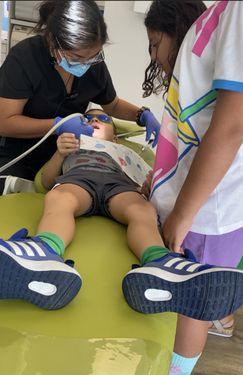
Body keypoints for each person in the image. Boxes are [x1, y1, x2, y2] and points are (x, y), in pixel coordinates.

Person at [1, 108, 243, 320]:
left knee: (142, 209)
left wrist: (149, 188)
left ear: (115, 135)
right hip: (78, 181)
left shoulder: (123, 152)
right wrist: (60, 154)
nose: (93, 122)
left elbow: (145, 188)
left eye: (103, 119)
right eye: (87, 119)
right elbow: (45, 182)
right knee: (59, 198)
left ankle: (161, 262)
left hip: (120, 188)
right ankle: (44, 251)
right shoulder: (72, 148)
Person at [122, 1, 243, 375]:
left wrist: (183, 212)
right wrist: (157, 186)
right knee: (182, 297)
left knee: (193, 302)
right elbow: (187, 126)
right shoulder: (221, 13)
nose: (154, 56)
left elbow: (231, 125)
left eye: (155, 44)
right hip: (186, 203)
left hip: (206, 212)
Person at [0, 0, 160, 195]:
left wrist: (141, 114)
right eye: (76, 57)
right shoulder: (25, 59)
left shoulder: (93, 64)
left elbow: (113, 105)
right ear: (53, 41)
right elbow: (5, 122)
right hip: (18, 154)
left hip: (66, 152)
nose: (85, 64)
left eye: (93, 56)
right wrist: (56, 125)